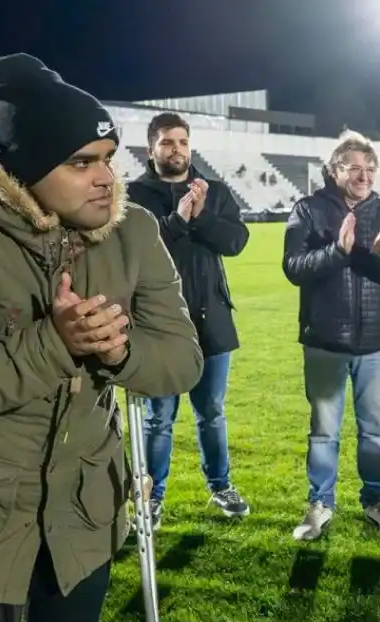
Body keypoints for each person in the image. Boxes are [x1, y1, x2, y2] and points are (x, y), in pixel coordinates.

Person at [0, 53, 202, 622]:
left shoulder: (134, 231)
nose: (105, 178)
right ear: (24, 169)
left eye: (108, 159)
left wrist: (119, 352)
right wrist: (55, 342)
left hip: (84, 502)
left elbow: (182, 359)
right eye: (80, 162)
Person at [283, 131, 380, 540]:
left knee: (375, 429)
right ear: (334, 170)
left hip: (376, 341)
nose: (364, 175)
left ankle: (376, 501)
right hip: (324, 339)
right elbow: (293, 267)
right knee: (324, 430)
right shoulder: (307, 210)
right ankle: (320, 503)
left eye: (370, 168)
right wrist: (337, 252)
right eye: (354, 168)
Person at [127, 112, 251, 530]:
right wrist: (179, 219)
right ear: (151, 150)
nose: (175, 149)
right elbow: (135, 251)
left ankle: (221, 486)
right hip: (158, 324)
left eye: (181, 141)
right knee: (159, 417)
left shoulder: (213, 191)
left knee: (211, 411)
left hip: (212, 318)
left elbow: (236, 241)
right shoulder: (134, 194)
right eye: (166, 142)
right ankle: (152, 496)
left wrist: (201, 216)